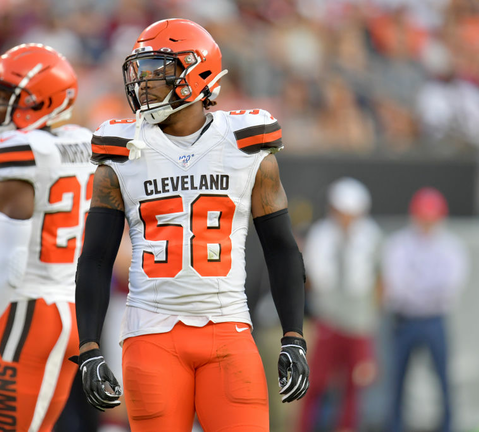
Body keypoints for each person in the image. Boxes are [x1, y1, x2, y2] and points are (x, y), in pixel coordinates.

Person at [73, 19, 310, 431]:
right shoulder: (121, 151)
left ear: (196, 73)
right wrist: (89, 346)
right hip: (150, 334)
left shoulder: (245, 143)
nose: (142, 83)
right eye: (139, 71)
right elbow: (95, 257)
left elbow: (281, 247)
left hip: (229, 329)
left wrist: (294, 334)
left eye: (155, 70)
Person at [0, 43, 96, 432]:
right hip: (71, 311)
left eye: (5, 96)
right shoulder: (83, 139)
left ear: (39, 100)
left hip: (27, 313)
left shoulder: (18, 150)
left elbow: (10, 267)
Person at [299, 178, 383, 432]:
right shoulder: (321, 235)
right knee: (314, 382)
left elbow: (380, 279)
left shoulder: (372, 236)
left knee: (355, 384)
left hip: (358, 323)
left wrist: (370, 315)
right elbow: (311, 278)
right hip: (328, 319)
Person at [382, 187, 468, 432]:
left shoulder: (451, 247)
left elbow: (450, 287)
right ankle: (395, 426)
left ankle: (448, 426)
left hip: (434, 319)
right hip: (405, 320)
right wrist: (425, 291)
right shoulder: (399, 244)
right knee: (397, 379)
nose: (427, 224)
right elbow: (396, 287)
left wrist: (419, 290)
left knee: (443, 378)